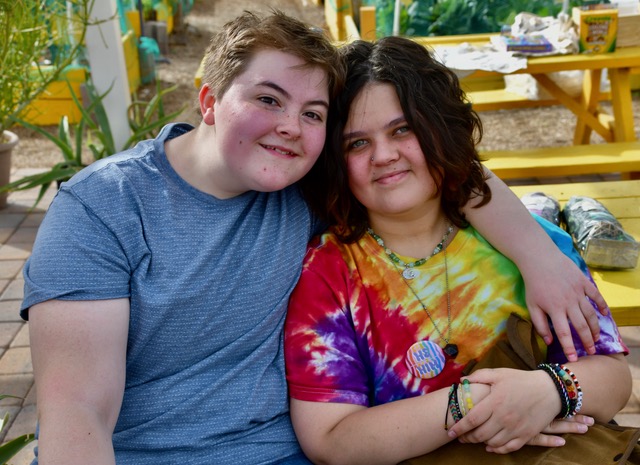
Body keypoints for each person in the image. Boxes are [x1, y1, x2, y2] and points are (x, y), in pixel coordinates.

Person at [22, 9, 606, 465]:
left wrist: (538, 254)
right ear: (209, 101)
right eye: (267, 99)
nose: (289, 127)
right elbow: (77, 411)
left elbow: (443, 168)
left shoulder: (302, 185)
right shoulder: (105, 208)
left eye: (313, 113)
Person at [284, 36, 631, 465]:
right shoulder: (326, 274)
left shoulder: (530, 244)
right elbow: (331, 441)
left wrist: (549, 390)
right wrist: (473, 403)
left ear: (440, 129)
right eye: (357, 143)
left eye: (402, 130)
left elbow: (614, 379)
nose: (384, 155)